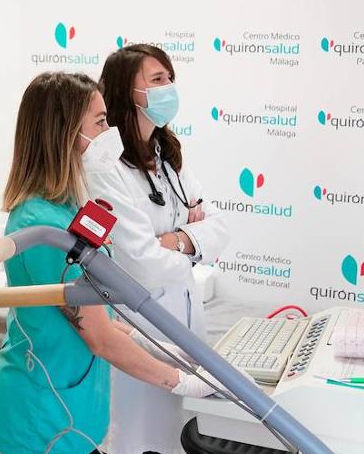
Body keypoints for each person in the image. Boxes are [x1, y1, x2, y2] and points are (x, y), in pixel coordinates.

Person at [0, 72, 218, 454]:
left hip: (71, 419)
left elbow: (104, 318)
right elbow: (99, 337)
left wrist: (169, 348)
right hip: (33, 426)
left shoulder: (69, 206)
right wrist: (180, 381)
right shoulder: (40, 224)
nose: (111, 131)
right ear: (67, 132)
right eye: (101, 122)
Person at [87, 44, 230, 454]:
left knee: (175, 436)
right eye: (156, 80)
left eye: (170, 79)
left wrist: (177, 241)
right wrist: (189, 239)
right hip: (139, 328)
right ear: (124, 92)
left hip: (182, 322)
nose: (168, 88)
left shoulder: (166, 154)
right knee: (133, 439)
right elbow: (141, 266)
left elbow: (220, 227)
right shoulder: (108, 167)